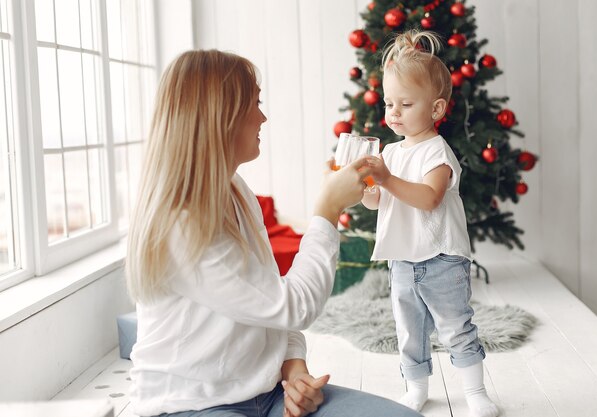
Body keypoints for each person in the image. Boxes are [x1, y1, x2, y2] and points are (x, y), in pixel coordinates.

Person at [125, 49, 421, 417]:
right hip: (190, 405)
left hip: (266, 394)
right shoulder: (182, 224)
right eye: (254, 103)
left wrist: (294, 369)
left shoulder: (234, 190)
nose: (262, 117)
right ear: (221, 117)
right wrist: (326, 211)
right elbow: (293, 305)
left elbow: (270, 297)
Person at [362, 30, 499, 417]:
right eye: (389, 103)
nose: (393, 112)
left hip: (441, 258)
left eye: (405, 103)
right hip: (403, 260)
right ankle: (417, 388)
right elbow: (380, 202)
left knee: (456, 326)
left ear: (436, 109)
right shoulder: (389, 152)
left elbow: (428, 198)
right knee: (410, 331)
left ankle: (475, 392)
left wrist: (386, 179)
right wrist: (365, 189)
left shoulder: (436, 153)